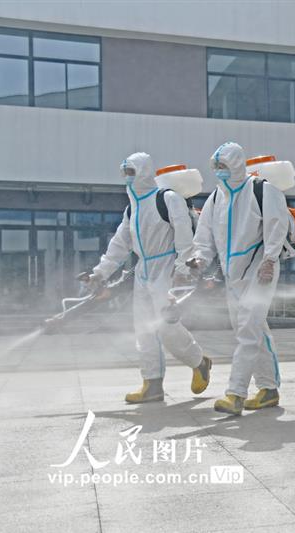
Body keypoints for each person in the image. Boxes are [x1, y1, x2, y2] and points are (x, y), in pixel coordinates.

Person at [86, 153, 212, 403]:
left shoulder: (167, 198)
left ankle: (199, 362)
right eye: (125, 173)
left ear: (144, 171)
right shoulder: (132, 208)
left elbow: (184, 236)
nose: (128, 178)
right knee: (144, 329)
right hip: (143, 270)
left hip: (166, 268)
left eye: (131, 172)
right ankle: (152, 383)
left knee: (166, 326)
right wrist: (99, 273)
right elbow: (119, 244)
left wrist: (182, 270)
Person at [188, 142, 289, 416]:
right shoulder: (216, 199)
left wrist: (270, 259)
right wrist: (199, 259)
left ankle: (235, 394)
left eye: (223, 166)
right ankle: (268, 389)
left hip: (260, 271)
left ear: (236, 164)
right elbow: (205, 237)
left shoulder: (261, 190)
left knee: (247, 332)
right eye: (216, 166)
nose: (219, 171)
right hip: (233, 276)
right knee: (253, 330)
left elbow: (277, 225)